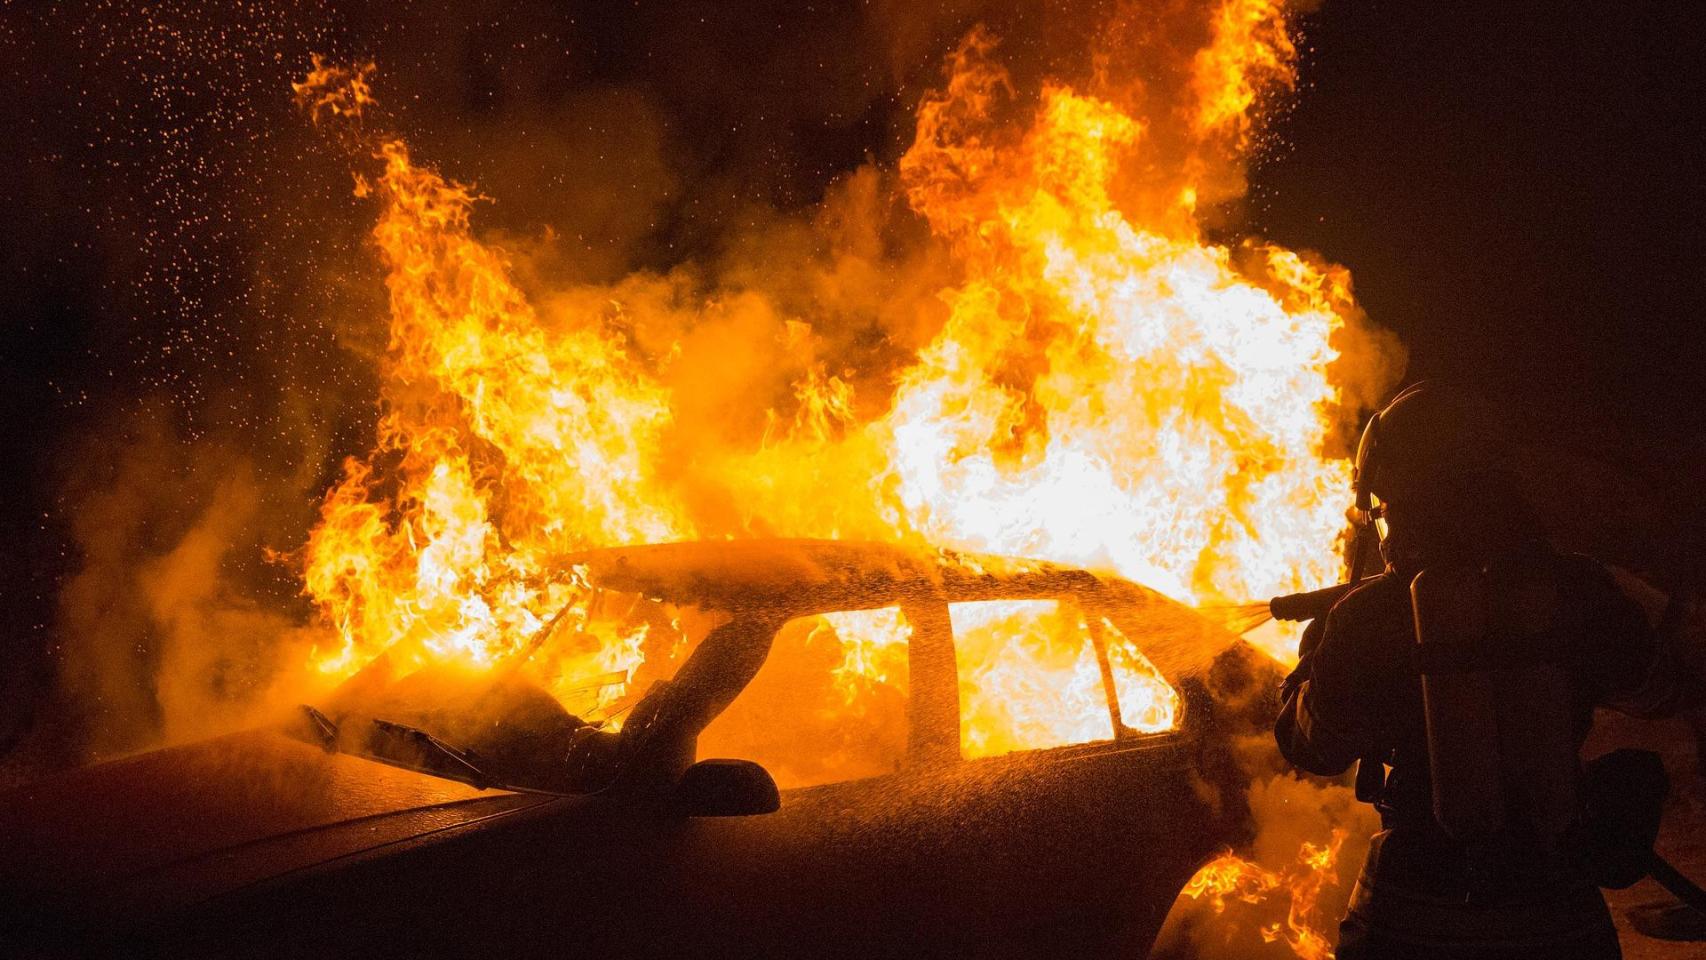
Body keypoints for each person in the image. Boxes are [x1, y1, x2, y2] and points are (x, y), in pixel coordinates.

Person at [1275, 382, 1663, 960]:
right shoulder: (1577, 590)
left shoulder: (1368, 617)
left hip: (1410, 914)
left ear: (1394, 495)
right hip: (1559, 911)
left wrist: (1309, 660)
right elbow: (1654, 690)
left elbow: (1314, 747)